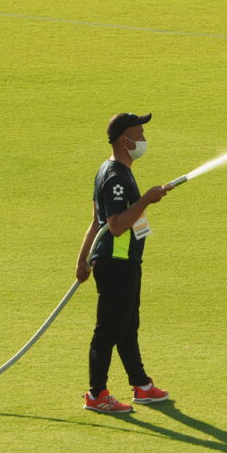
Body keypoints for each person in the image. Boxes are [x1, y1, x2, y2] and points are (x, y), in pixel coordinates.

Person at [75, 112, 174, 414]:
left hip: (125, 261)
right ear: (124, 139)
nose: (143, 140)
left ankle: (141, 385)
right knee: (108, 330)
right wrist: (146, 200)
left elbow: (97, 221)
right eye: (139, 134)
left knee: (128, 326)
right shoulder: (116, 177)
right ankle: (97, 394)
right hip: (116, 262)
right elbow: (115, 225)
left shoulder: (111, 170)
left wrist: (82, 260)